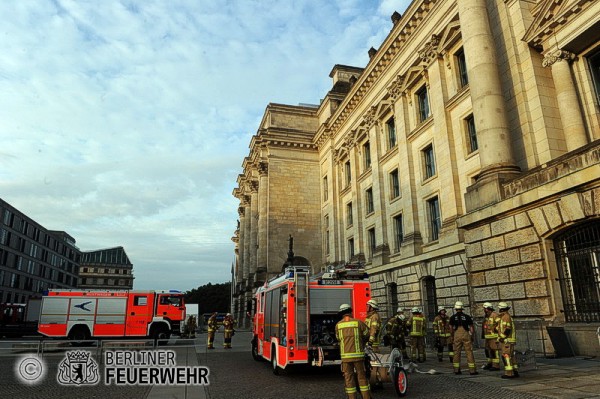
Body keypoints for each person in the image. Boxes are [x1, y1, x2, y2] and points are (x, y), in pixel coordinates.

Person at [335, 303, 371, 399]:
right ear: (350, 311)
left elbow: (338, 338)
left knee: (348, 378)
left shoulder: (338, 325)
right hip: (358, 356)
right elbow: (367, 334)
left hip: (345, 358)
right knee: (362, 377)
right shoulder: (358, 323)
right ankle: (366, 397)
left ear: (341, 313)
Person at [449, 301, 478, 375]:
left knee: (456, 352)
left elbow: (451, 328)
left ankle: (456, 370)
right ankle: (472, 370)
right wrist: (471, 336)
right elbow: (471, 327)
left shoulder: (452, 317)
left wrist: (452, 336)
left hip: (457, 334)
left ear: (456, 308)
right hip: (465, 334)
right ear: (462, 308)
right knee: (469, 352)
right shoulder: (467, 317)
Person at [497, 302, 519, 379]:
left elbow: (507, 329)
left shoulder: (506, 317)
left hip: (507, 340)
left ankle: (509, 373)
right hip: (509, 340)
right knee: (511, 356)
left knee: (506, 356)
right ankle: (515, 371)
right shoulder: (505, 316)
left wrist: (502, 337)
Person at [482, 302, 501, 371]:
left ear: (487, 309)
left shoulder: (494, 315)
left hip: (493, 337)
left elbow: (499, 324)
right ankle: (490, 363)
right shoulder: (486, 316)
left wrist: (496, 330)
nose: (484, 310)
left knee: (494, 351)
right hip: (487, 337)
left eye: (484, 308)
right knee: (487, 350)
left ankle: (496, 365)